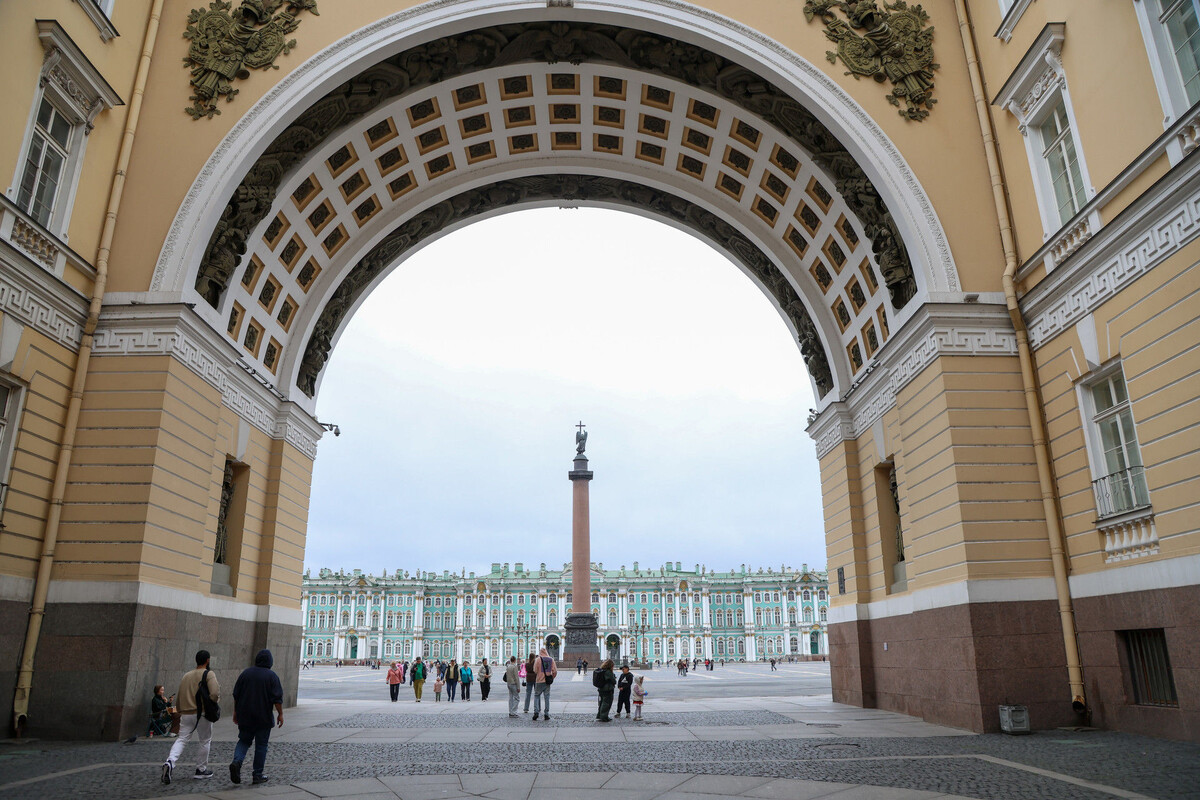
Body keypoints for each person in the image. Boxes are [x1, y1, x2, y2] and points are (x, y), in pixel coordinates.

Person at [161, 649, 219, 784]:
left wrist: (180, 710)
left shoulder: (186, 675)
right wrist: (213, 703)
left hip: (186, 713)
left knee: (182, 739)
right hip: (203, 713)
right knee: (205, 740)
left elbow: (180, 694)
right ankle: (201, 769)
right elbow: (215, 693)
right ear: (207, 660)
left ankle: (170, 761)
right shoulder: (209, 674)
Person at [228, 649, 283, 786]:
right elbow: (277, 699)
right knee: (261, 745)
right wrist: (280, 714)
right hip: (263, 717)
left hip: (245, 715)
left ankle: (237, 762)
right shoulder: (272, 676)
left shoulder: (245, 673)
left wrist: (235, 712)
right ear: (270, 661)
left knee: (244, 741)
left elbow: (236, 695)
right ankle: (257, 774)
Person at [532, 647, 557, 720]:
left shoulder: (537, 659)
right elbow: (555, 671)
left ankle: (536, 712)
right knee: (547, 697)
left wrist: (539, 674)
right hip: (547, 682)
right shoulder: (551, 659)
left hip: (539, 681)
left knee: (536, 696)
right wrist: (552, 677)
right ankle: (546, 713)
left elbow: (535, 670)